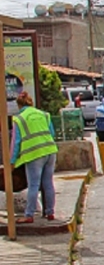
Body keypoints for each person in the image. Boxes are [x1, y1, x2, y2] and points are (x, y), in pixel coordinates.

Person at [10, 91, 58, 224]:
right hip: (50, 150)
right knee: (48, 183)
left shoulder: (18, 119)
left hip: (34, 154)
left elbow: (16, 142)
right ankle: (50, 212)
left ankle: (29, 215)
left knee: (34, 185)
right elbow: (52, 133)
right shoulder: (44, 114)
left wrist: (12, 161)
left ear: (19, 105)